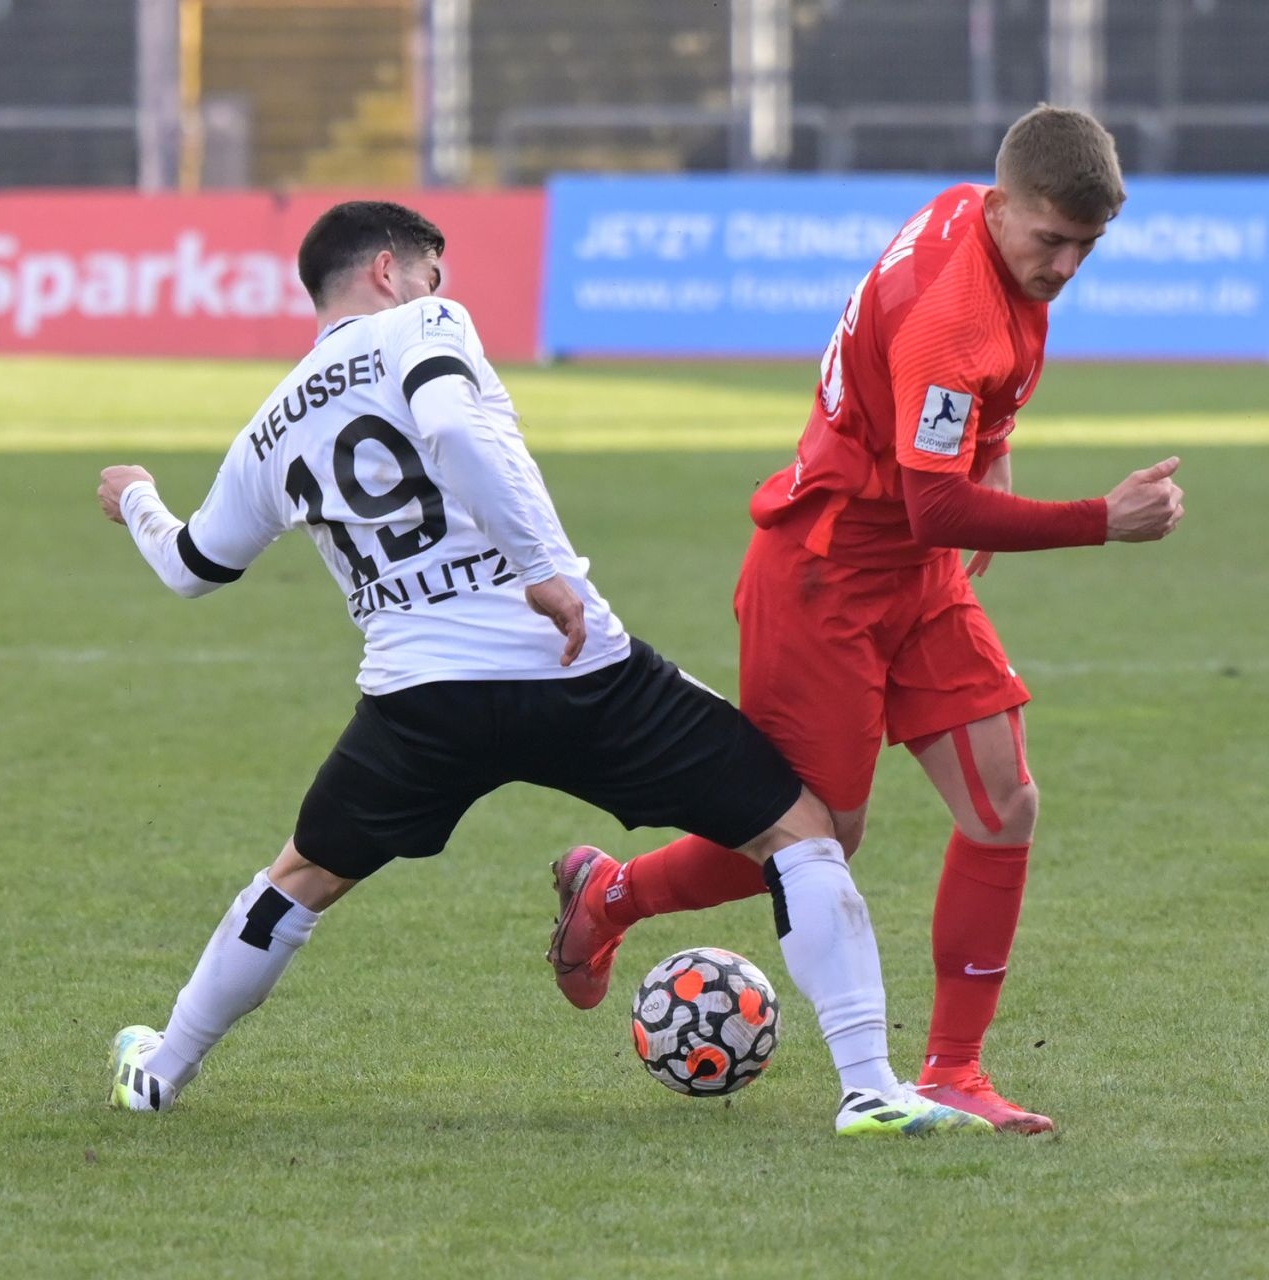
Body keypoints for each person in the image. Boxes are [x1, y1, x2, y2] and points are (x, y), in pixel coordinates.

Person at [94, 200, 990, 1136]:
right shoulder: (422, 324)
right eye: (433, 271)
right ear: (390, 271)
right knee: (800, 831)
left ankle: (160, 1069)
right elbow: (454, 428)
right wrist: (541, 571)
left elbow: (193, 566)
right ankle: (870, 1089)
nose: (441, 288)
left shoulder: (271, 425)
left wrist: (142, 499)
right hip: (572, 670)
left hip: (419, 702)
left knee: (302, 877)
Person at [546, 107, 1186, 1134]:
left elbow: (959, 413)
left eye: (1087, 246)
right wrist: (1099, 520)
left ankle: (954, 1070)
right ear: (1003, 205)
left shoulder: (970, 219)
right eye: (1052, 240)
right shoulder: (952, 314)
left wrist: (993, 447)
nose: (1066, 265)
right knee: (816, 836)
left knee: (1003, 804)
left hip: (914, 575)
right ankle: (610, 894)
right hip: (824, 576)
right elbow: (937, 503)